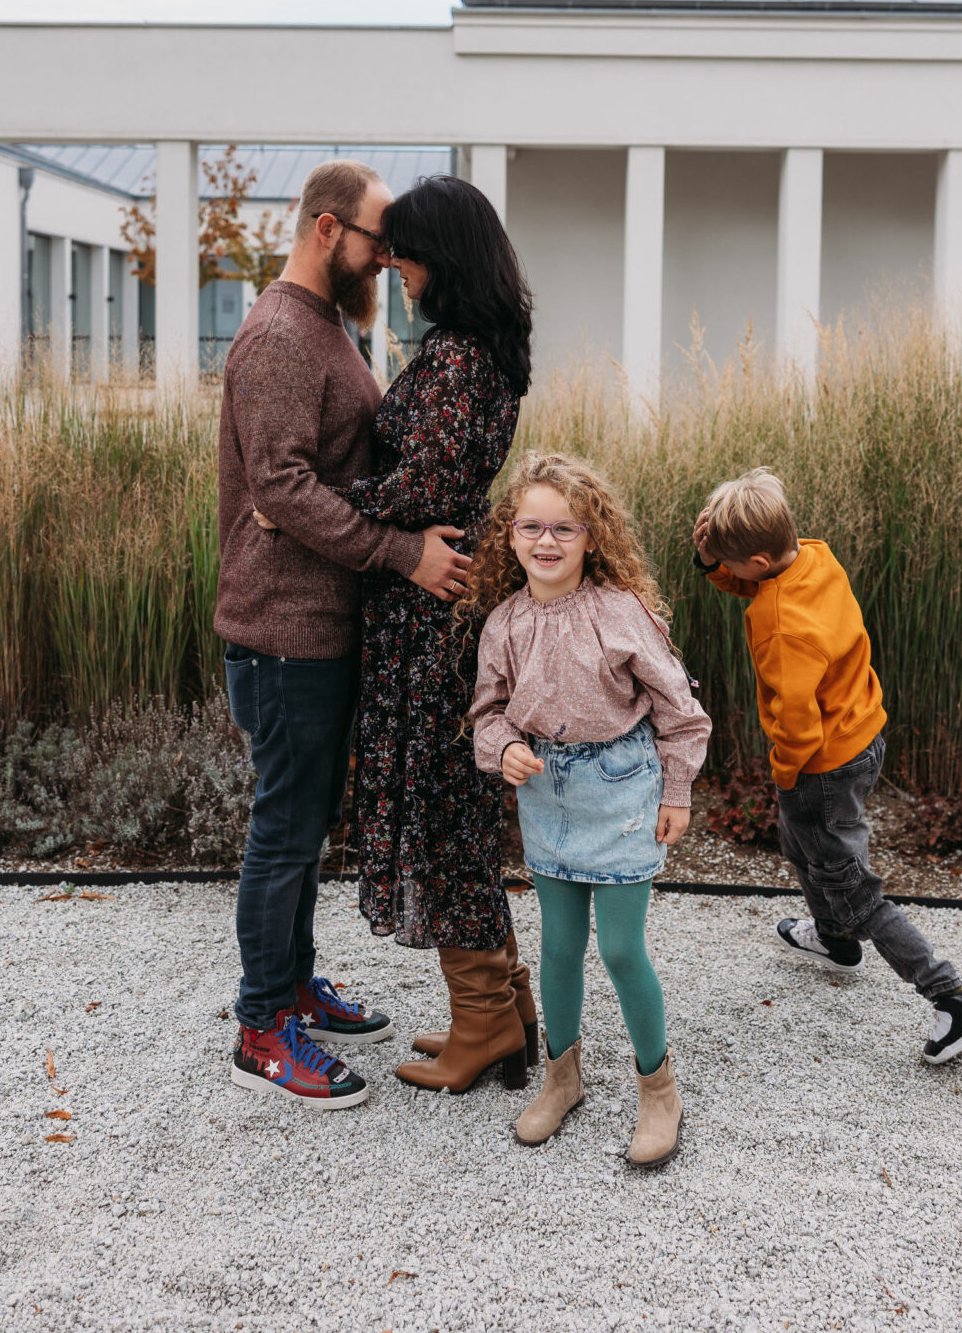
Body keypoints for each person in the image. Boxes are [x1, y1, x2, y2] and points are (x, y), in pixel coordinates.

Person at [215, 159, 472, 1109]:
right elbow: (279, 485)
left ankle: (291, 987)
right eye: (377, 238)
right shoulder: (283, 334)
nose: (388, 255)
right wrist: (401, 553)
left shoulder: (327, 326)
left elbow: (312, 480)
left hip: (318, 623)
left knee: (307, 824)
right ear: (330, 231)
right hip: (282, 629)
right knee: (284, 830)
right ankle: (259, 1026)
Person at [334, 174, 537, 1096]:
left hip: (431, 620)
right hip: (435, 608)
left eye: (405, 252)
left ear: (439, 258)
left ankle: (486, 1024)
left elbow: (423, 486)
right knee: (452, 811)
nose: (395, 267)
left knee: (445, 816)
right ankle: (503, 1003)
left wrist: (315, 506)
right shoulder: (476, 349)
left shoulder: (457, 359)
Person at [692, 466, 962, 1066]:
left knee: (851, 886)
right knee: (799, 845)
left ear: (755, 560)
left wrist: (785, 773)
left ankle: (954, 997)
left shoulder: (779, 625)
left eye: (734, 565)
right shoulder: (812, 556)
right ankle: (835, 943)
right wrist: (712, 561)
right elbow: (757, 579)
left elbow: (798, 724)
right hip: (863, 736)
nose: (733, 576)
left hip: (821, 766)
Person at [469, 451, 711, 1169]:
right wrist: (505, 745)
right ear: (509, 535)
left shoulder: (620, 613)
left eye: (565, 529)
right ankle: (561, 1078)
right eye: (531, 527)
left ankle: (658, 1089)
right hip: (546, 792)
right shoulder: (505, 624)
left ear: (592, 537)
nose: (547, 542)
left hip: (622, 787)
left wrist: (677, 790)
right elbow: (486, 713)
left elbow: (681, 712)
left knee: (620, 948)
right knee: (559, 945)